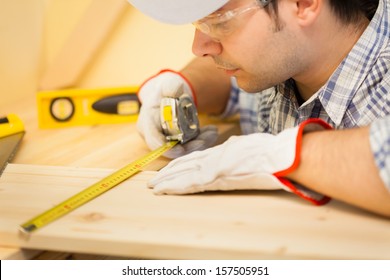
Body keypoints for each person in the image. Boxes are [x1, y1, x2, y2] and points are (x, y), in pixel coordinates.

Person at [128, 0, 390, 217]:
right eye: (200, 24)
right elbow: (233, 81)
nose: (198, 48)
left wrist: (281, 156)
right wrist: (185, 86)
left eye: (219, 21)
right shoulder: (287, 62)